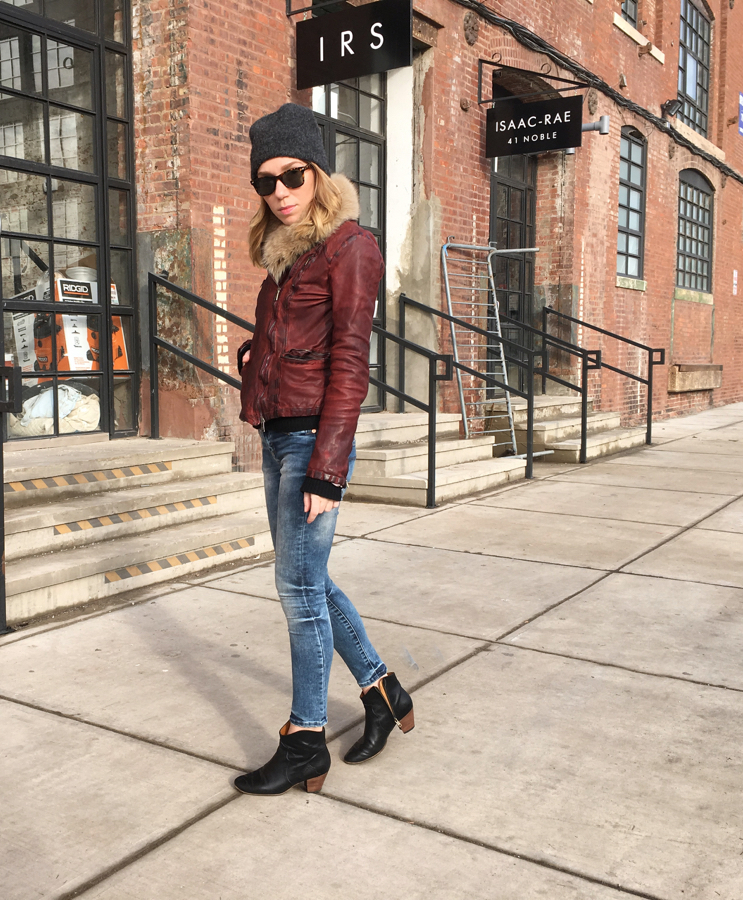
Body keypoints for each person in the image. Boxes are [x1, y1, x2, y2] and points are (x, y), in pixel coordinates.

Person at [233, 103, 414, 796]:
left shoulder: (348, 246)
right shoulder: (285, 256)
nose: (278, 191)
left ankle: (306, 738)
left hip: (314, 440)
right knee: (310, 580)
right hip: (281, 436)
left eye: (292, 175)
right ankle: (381, 689)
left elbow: (350, 362)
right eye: (265, 181)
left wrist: (328, 469)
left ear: (319, 173)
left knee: (296, 585)